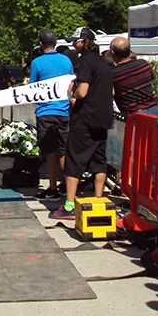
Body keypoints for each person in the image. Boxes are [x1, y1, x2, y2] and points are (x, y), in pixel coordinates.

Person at [50, 28, 114, 220]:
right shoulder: (104, 62)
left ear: (85, 42)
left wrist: (72, 93)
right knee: (99, 161)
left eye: (76, 41)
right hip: (103, 118)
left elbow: (83, 91)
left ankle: (69, 205)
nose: (73, 45)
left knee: (74, 161)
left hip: (85, 118)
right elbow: (111, 91)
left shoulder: (85, 60)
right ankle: (99, 200)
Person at [30, 29, 74, 198]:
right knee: (63, 150)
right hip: (63, 110)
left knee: (50, 152)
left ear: (41, 44)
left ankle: (53, 187)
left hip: (45, 111)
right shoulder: (66, 60)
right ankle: (69, 187)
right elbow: (71, 82)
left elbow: (32, 88)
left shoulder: (37, 63)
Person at [110, 37, 158, 116]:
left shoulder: (113, 74)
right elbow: (151, 78)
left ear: (112, 52)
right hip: (155, 110)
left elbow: (111, 93)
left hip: (136, 115)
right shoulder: (143, 64)